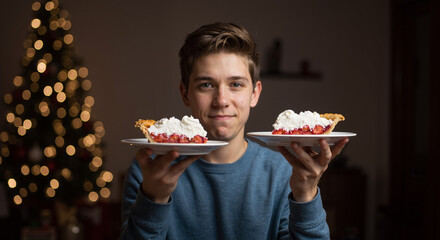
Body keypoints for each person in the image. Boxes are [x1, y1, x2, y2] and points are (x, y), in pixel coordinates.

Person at [120, 22, 349, 240]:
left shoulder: (284, 173)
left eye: (236, 84)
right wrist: (154, 199)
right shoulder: (149, 170)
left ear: (254, 94)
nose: (221, 100)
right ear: (185, 93)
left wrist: (306, 194)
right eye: (206, 85)